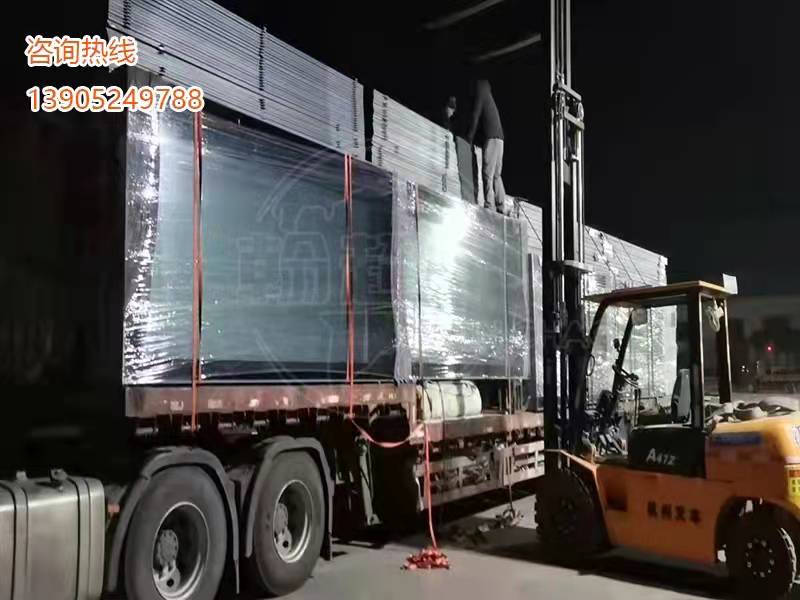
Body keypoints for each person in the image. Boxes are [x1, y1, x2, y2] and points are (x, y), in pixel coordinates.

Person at [466, 79, 505, 214]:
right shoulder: (489, 96)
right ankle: (501, 206)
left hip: (492, 137)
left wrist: (469, 138)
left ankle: (489, 205)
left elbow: (475, 116)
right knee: (497, 175)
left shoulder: (480, 91)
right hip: (500, 138)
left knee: (487, 173)